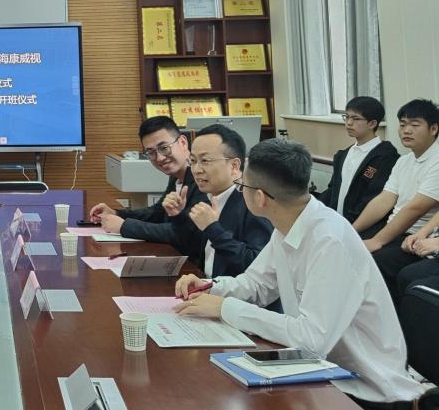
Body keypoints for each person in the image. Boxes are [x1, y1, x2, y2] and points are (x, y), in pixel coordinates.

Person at [174, 139, 425, 409]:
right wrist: (210, 287)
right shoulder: (288, 224)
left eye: (242, 186)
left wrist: (225, 308)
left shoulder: (329, 239)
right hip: (320, 373)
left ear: (259, 197)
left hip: (365, 391)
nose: (240, 191)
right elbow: (257, 284)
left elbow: (311, 339)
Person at [352, 99, 439, 301]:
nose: (406, 130)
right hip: (394, 228)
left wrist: (377, 241)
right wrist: (352, 230)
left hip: (416, 236)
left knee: (374, 261)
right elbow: (384, 200)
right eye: (402, 124)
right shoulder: (404, 161)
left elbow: (416, 208)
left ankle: (387, 317)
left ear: (434, 129)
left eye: (415, 125)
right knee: (347, 247)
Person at [163, 124, 272, 276]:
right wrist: (178, 216)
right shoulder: (209, 197)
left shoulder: (253, 203)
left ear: (234, 166)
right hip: (205, 284)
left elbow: (257, 266)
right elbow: (192, 250)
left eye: (205, 160)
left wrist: (213, 229)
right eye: (193, 161)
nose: (196, 170)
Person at [89, 116, 204, 256]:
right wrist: (117, 213)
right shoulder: (177, 176)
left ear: (183, 143)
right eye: (151, 152)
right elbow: (157, 213)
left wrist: (124, 226)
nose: (160, 158)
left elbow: (183, 233)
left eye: (164, 148)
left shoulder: (201, 179)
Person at [316, 96, 399, 238]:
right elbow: (332, 190)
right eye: (346, 117)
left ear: (372, 123)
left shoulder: (386, 156)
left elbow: (374, 197)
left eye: (356, 118)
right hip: (337, 224)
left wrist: (349, 226)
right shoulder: (343, 155)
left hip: (363, 229)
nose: (349, 123)